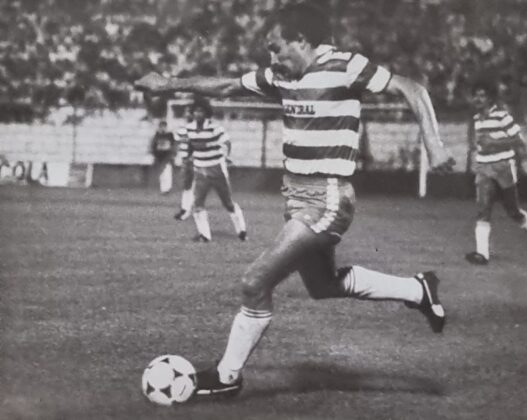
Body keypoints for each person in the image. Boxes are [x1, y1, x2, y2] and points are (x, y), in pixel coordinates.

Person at [136, 3, 455, 397]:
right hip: (296, 195)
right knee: (323, 285)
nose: (270, 58)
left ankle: (226, 378)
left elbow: (412, 87)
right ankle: (418, 290)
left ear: (301, 40)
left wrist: (434, 146)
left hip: (328, 197)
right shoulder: (280, 76)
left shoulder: (345, 65)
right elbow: (226, 85)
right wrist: (168, 83)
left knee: (255, 281)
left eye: (275, 47)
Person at [464, 80, 527, 265]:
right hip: (484, 168)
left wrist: (495, 143)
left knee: (513, 211)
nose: (478, 99)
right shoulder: (477, 120)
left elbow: (519, 141)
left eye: (482, 95)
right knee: (483, 210)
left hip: (503, 167)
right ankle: (482, 254)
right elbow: (480, 146)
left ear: (490, 98)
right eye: (475, 95)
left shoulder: (502, 116)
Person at [173, 96, 247, 242]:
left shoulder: (215, 128)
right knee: (198, 204)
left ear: (206, 113)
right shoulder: (188, 129)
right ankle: (205, 235)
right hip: (200, 170)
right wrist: (185, 159)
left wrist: (225, 155)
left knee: (228, 203)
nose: (198, 114)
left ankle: (242, 231)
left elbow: (226, 142)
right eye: (196, 111)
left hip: (216, 169)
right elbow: (185, 146)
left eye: (201, 111)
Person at [149, 120, 176, 194]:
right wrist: (153, 154)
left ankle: (167, 188)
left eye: (164, 127)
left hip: (167, 156)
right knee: (161, 173)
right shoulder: (157, 135)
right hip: (159, 156)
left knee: (167, 172)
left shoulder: (170, 135)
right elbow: (153, 145)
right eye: (161, 127)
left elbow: (173, 145)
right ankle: (163, 188)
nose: (163, 128)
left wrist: (173, 154)